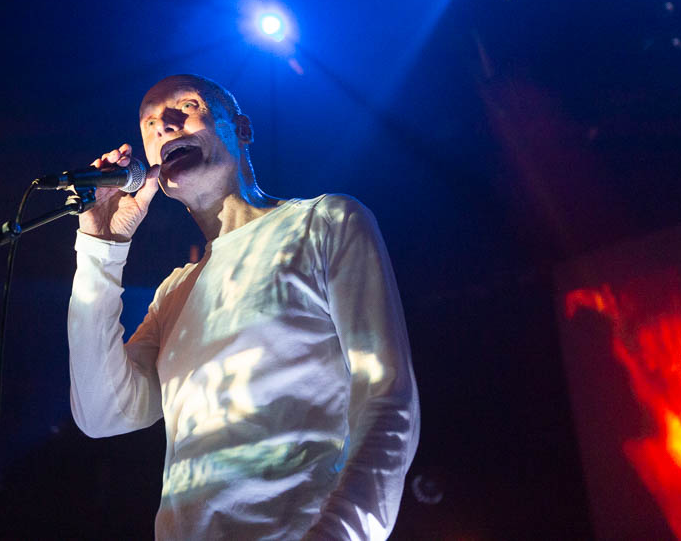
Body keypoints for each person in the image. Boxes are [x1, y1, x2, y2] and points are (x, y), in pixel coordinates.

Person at [67, 74, 419, 540]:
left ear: (242, 128)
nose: (165, 125)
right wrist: (101, 249)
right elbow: (101, 413)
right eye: (149, 124)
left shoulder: (325, 223)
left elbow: (387, 399)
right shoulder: (173, 293)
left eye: (186, 107)